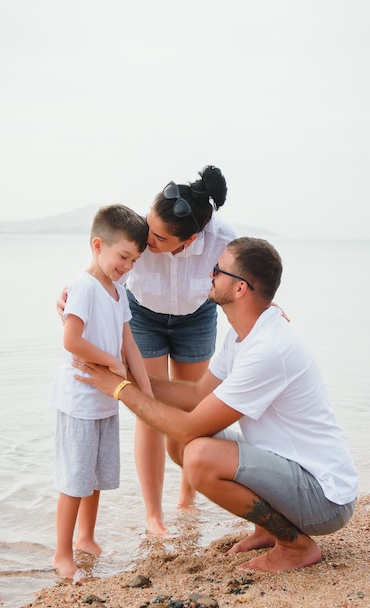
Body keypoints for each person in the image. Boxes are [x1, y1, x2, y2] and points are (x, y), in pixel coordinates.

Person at [72, 236, 359, 573]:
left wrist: (120, 388)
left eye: (217, 270)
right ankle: (268, 529)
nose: (209, 274)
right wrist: (126, 370)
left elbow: (190, 424)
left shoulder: (268, 349)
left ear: (240, 289)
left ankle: (295, 546)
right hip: (295, 473)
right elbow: (196, 394)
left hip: (324, 498)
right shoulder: (244, 333)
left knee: (199, 455)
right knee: (182, 444)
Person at [58, 165, 237, 536]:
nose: (147, 238)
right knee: (149, 407)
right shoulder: (140, 231)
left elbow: (244, 282)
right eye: (148, 225)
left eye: (157, 237)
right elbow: (103, 266)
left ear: (188, 241)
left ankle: (188, 494)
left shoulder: (221, 239)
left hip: (196, 317)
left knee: (193, 405)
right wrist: (70, 293)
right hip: (142, 316)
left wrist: (269, 311)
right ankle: (153, 514)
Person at [50, 204, 152, 578]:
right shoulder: (83, 286)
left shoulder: (118, 292)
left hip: (106, 400)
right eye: (123, 256)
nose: (127, 265)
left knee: (95, 477)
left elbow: (131, 346)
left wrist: (146, 394)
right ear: (98, 245)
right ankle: (62, 552)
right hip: (78, 399)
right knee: (74, 479)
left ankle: (86, 538)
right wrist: (111, 363)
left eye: (134, 260)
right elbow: (71, 339)